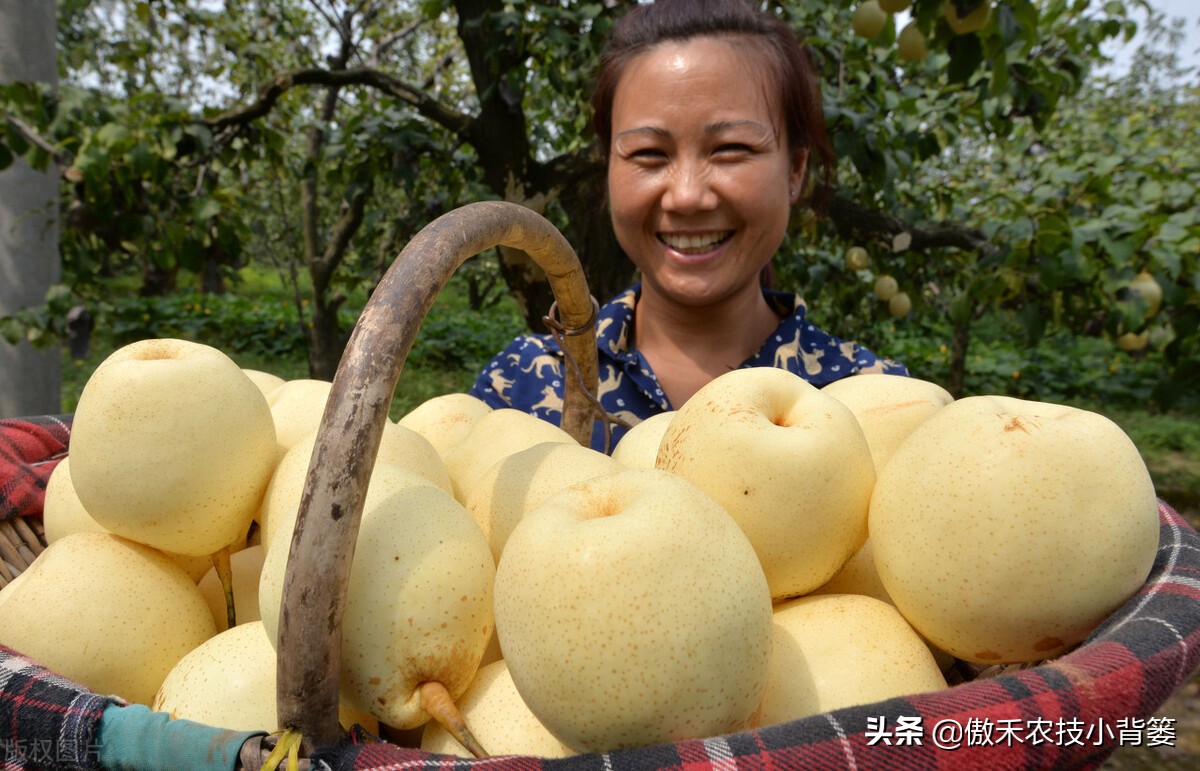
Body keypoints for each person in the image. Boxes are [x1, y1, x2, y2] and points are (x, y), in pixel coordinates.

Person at [469, 0, 907, 452]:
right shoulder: (519, 389)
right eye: (648, 154)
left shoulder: (878, 405)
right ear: (608, 170)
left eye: (730, 148)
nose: (686, 196)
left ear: (795, 171)